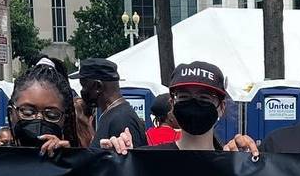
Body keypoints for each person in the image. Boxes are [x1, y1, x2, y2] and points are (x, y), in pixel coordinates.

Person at [99, 61, 258, 155]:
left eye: (204, 97)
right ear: (172, 103)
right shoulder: (148, 162)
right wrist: (121, 161)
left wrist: (247, 161)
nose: (194, 103)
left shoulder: (232, 163)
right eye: (184, 97)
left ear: (222, 107)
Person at [7, 64, 80, 156]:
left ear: (64, 119)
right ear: (11, 113)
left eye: (51, 115)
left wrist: (67, 159)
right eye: (28, 112)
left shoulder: (74, 164)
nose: (39, 119)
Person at [77, 58, 148, 148]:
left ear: (98, 86)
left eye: (83, 85)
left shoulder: (121, 120)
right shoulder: (112, 115)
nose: (82, 91)